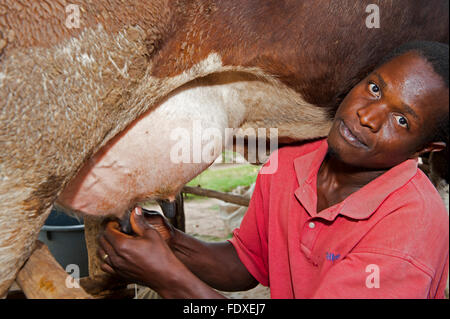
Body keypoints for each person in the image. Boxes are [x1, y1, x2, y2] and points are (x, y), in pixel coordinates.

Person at [97, 41, 449, 299]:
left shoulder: (407, 232)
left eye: (401, 120)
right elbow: (248, 262)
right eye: (374, 88)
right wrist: (174, 244)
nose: (367, 116)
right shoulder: (293, 160)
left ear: (425, 149)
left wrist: (168, 278)